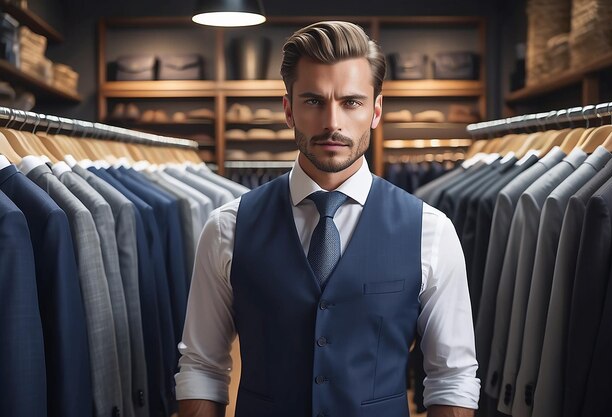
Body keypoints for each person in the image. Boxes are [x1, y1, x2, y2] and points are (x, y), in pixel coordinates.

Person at [175, 20, 480, 417]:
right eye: (314, 101)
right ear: (288, 110)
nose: (332, 122)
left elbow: (452, 377)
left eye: (351, 102)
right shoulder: (227, 228)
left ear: (375, 110)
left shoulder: (431, 230)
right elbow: (201, 366)